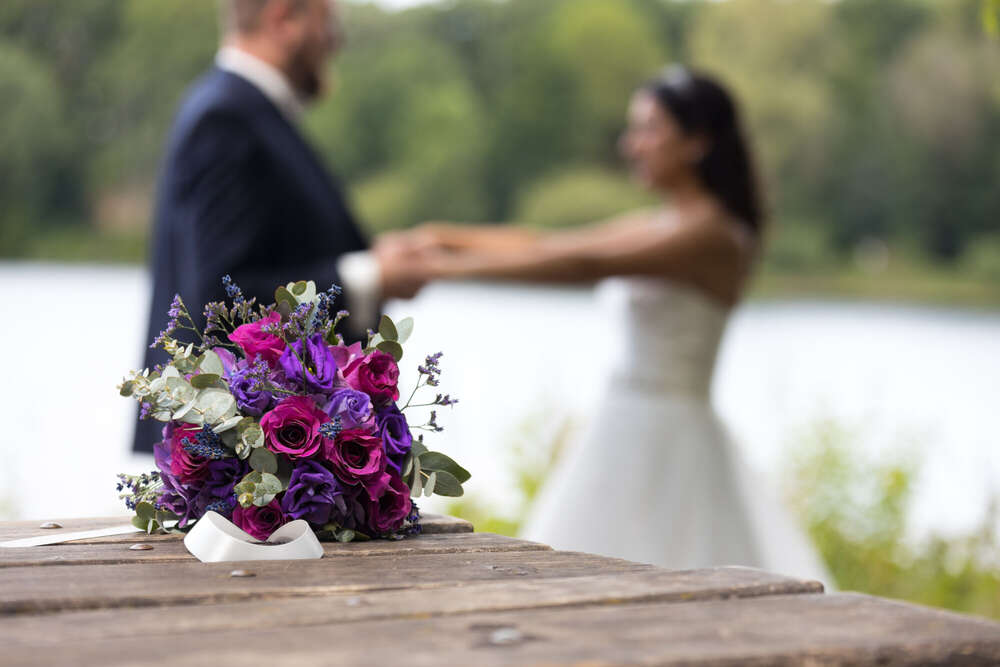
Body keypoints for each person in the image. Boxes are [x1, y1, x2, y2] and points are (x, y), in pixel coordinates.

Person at [381, 66, 829, 581]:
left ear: (697, 142)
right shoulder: (668, 224)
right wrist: (436, 238)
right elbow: (550, 244)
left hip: (668, 440)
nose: (631, 144)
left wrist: (438, 269)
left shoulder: (711, 236)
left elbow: (583, 266)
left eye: (649, 129)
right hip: (626, 424)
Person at [134, 0, 423, 454]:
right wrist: (371, 276)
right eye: (328, 22)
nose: (337, 40)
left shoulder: (249, 113)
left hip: (259, 460)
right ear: (284, 17)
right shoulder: (226, 118)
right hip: (231, 462)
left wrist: (372, 258)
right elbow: (218, 294)